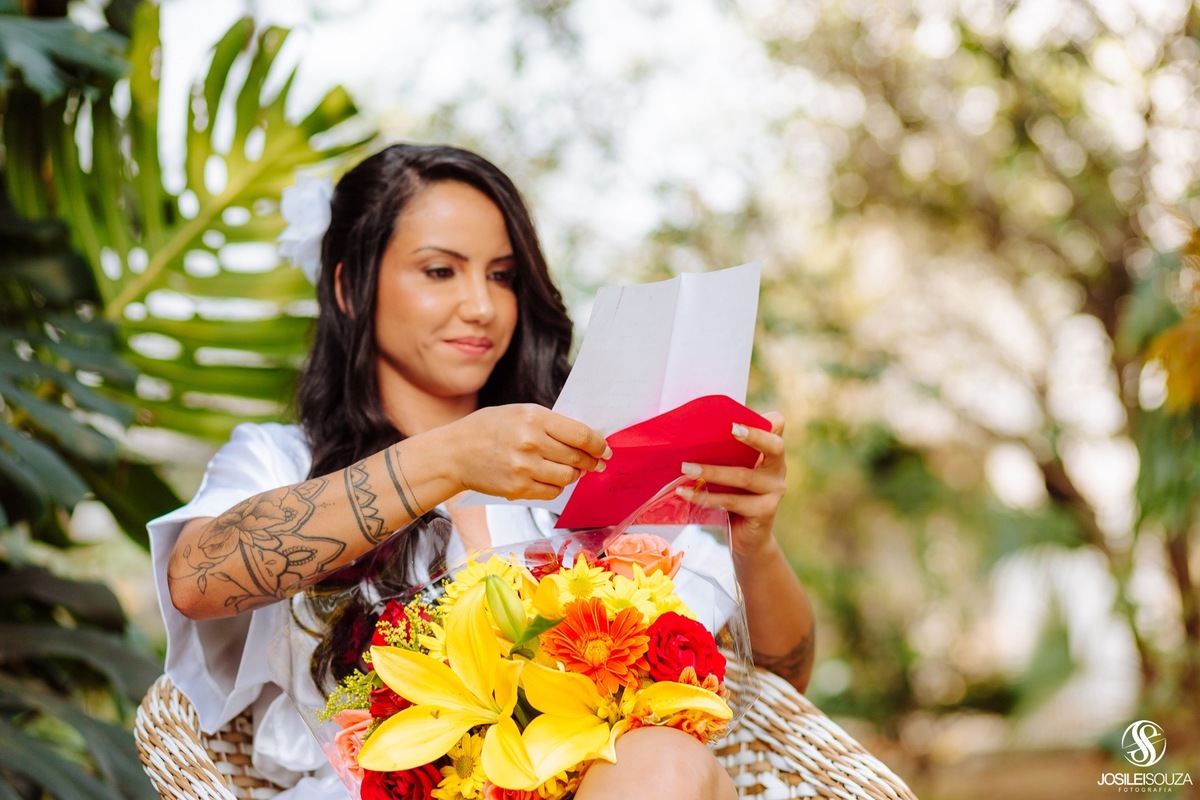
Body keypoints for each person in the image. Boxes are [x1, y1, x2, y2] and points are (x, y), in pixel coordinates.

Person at [149, 143, 815, 800]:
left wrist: (754, 545)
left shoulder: (578, 458)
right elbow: (195, 579)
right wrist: (449, 458)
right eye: (441, 271)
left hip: (609, 779)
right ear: (351, 287)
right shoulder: (281, 461)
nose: (482, 306)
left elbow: (777, 691)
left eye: (502, 276)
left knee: (663, 762)